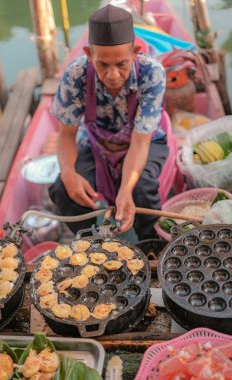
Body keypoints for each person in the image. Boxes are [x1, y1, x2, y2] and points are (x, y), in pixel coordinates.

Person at [49, 4, 168, 240]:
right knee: (64, 190)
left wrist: (125, 188)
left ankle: (151, 245)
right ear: (88, 54)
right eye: (102, 64)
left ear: (135, 52)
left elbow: (141, 141)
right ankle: (89, 244)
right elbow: (66, 135)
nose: (112, 76)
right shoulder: (76, 74)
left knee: (141, 188)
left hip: (142, 142)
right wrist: (68, 172)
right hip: (95, 143)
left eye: (121, 64)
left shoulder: (152, 73)